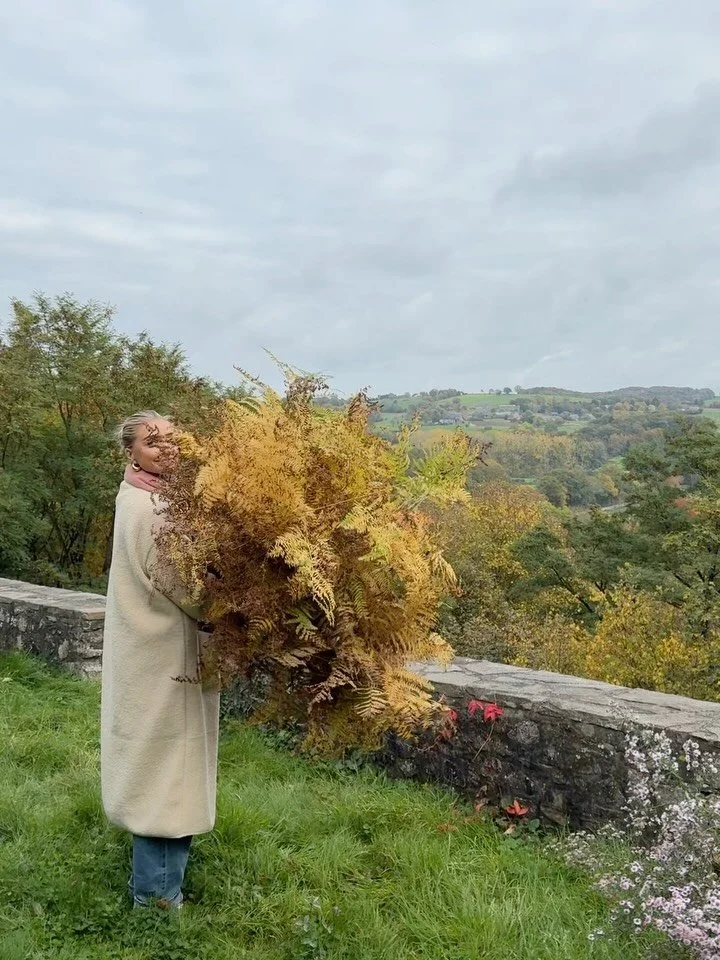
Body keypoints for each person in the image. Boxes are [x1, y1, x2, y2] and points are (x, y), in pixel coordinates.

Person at [100, 411, 220, 909]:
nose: (166, 448)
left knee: (159, 766)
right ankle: (155, 901)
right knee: (166, 776)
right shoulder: (153, 510)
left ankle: (156, 890)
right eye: (153, 442)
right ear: (131, 451)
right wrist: (239, 608)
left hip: (150, 654)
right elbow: (189, 589)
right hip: (166, 660)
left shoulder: (140, 496)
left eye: (172, 439)